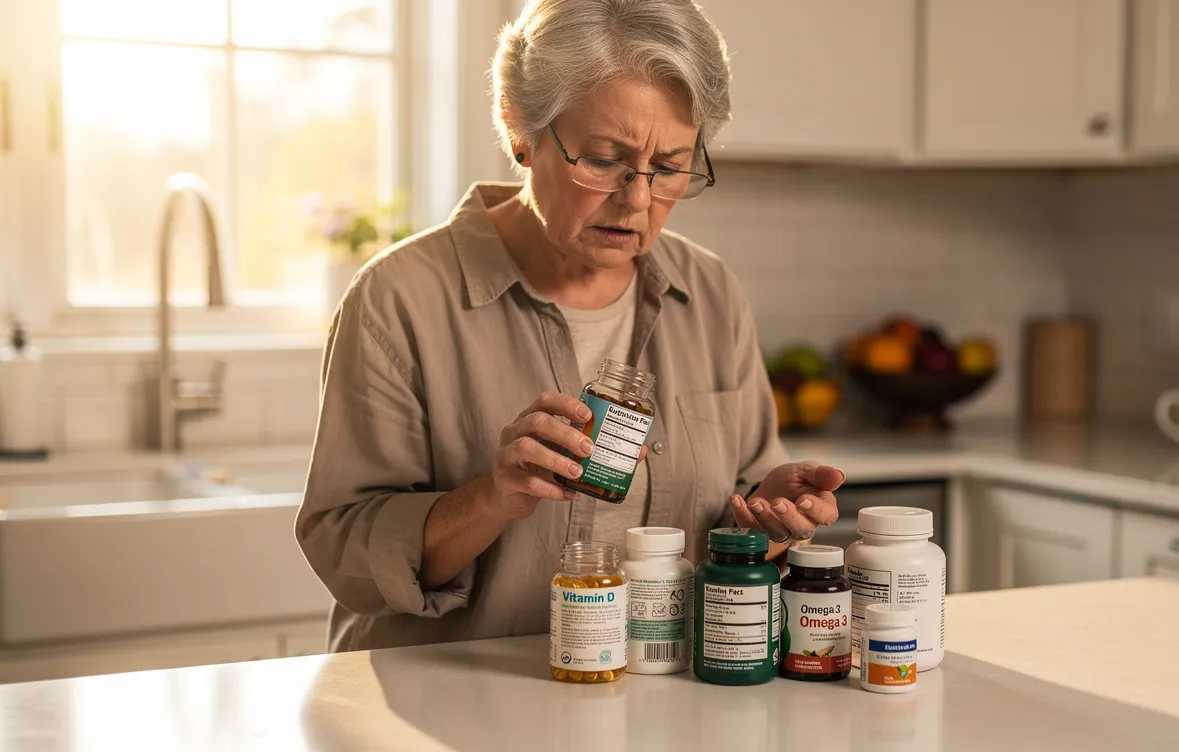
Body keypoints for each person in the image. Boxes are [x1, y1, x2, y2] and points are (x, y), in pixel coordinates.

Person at [295, 0, 845, 653]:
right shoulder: (399, 299)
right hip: (449, 700)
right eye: (604, 160)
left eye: (671, 167)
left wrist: (770, 520)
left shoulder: (711, 293)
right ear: (518, 128)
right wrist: (492, 498)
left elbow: (741, 516)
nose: (636, 199)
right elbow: (345, 555)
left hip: (657, 693)